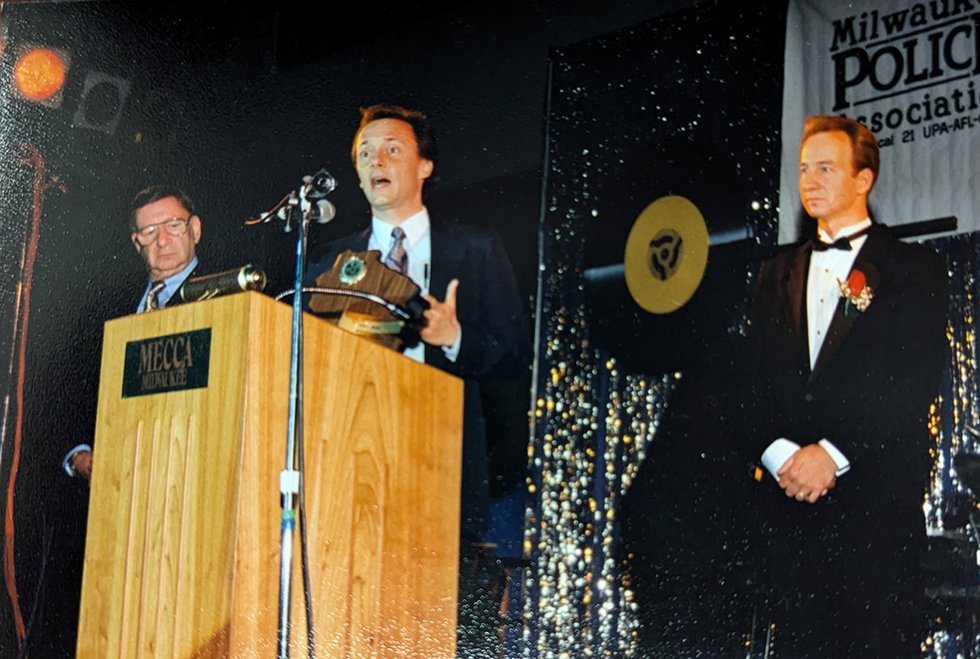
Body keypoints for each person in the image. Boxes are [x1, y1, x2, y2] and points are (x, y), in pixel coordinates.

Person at [304, 103, 532, 656]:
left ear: (425, 165)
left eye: (391, 149)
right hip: (353, 466)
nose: (375, 160)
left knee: (445, 626)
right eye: (364, 153)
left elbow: (515, 354)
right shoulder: (327, 262)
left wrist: (454, 337)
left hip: (449, 465)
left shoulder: (475, 249)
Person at [734, 115, 947, 657]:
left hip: (875, 514)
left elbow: (916, 377)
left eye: (826, 168)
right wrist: (782, 455)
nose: (809, 180)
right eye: (805, 169)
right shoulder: (772, 274)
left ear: (863, 179)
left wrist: (831, 454)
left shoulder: (913, 268)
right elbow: (749, 383)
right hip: (790, 519)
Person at [61, 184, 203, 480]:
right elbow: (70, 392)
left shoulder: (228, 295)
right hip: (111, 482)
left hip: (188, 473)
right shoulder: (104, 309)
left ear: (195, 229)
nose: (162, 240)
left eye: (174, 226)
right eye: (150, 231)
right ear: (137, 243)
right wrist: (78, 455)